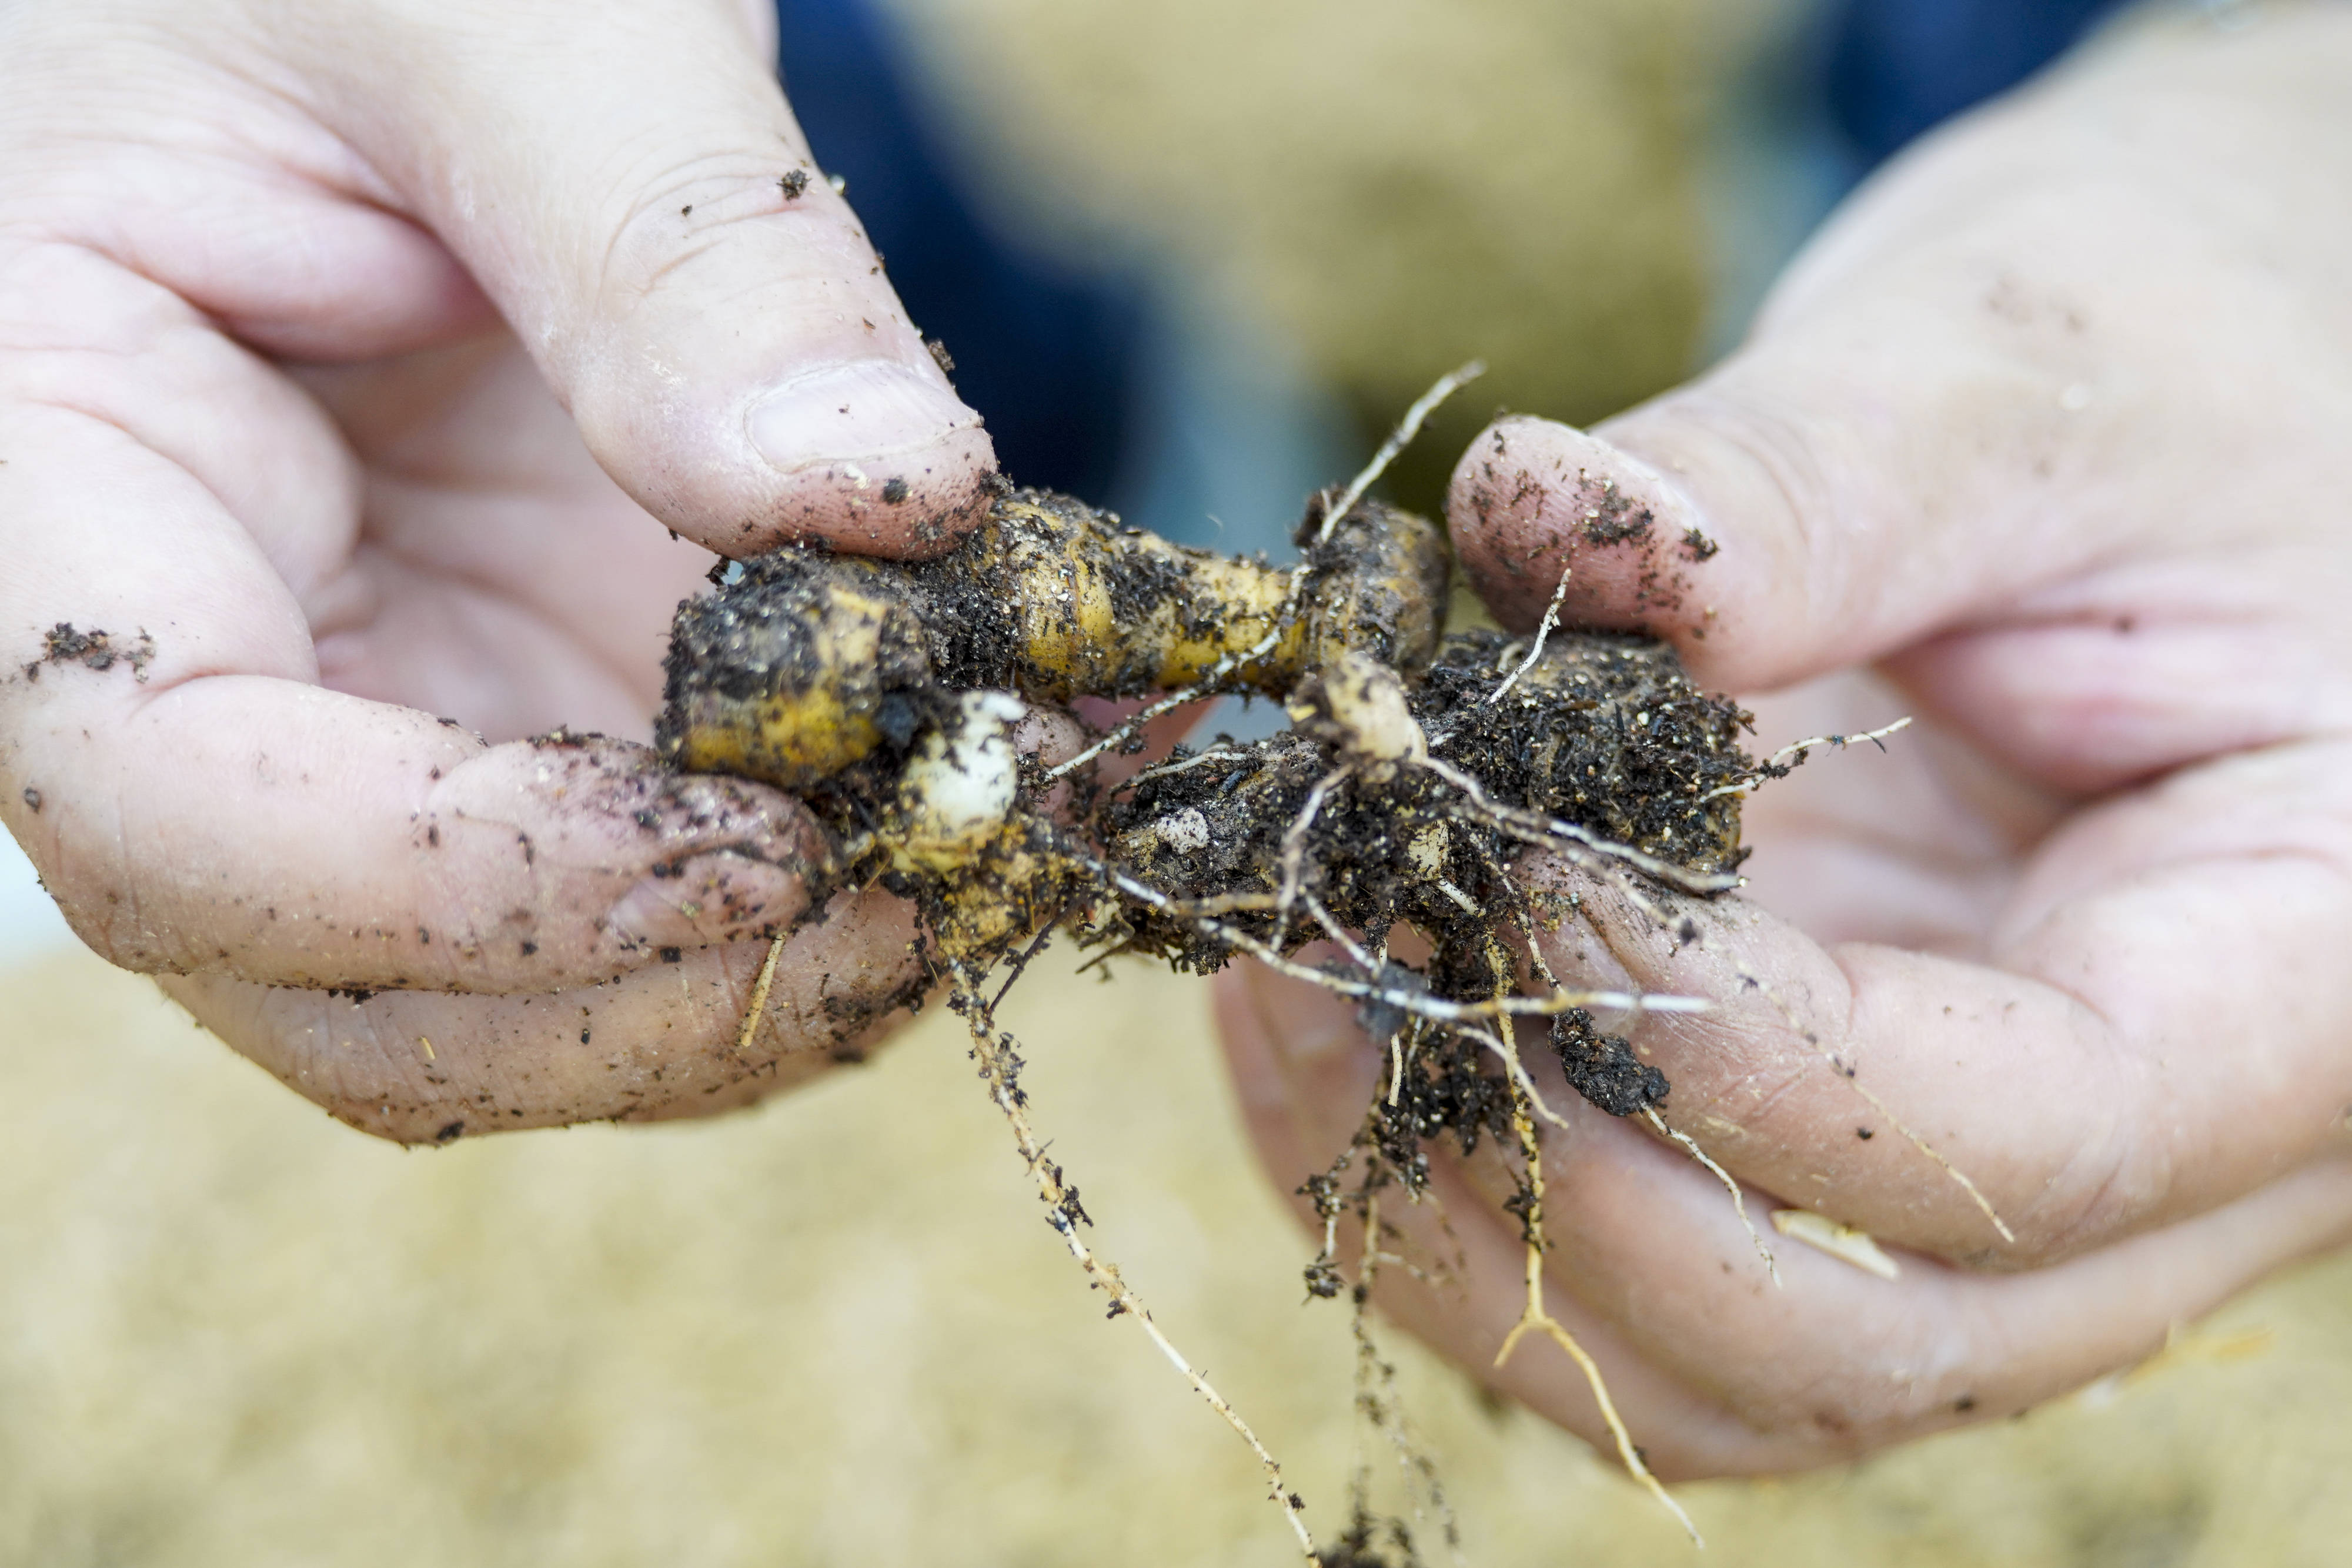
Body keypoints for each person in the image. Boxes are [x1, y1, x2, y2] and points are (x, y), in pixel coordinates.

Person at [2, 0, 2348, 1480]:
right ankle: (1068, 410)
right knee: (724, 199)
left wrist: (2291, 163)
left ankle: (2007, 170)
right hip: (603, 366)